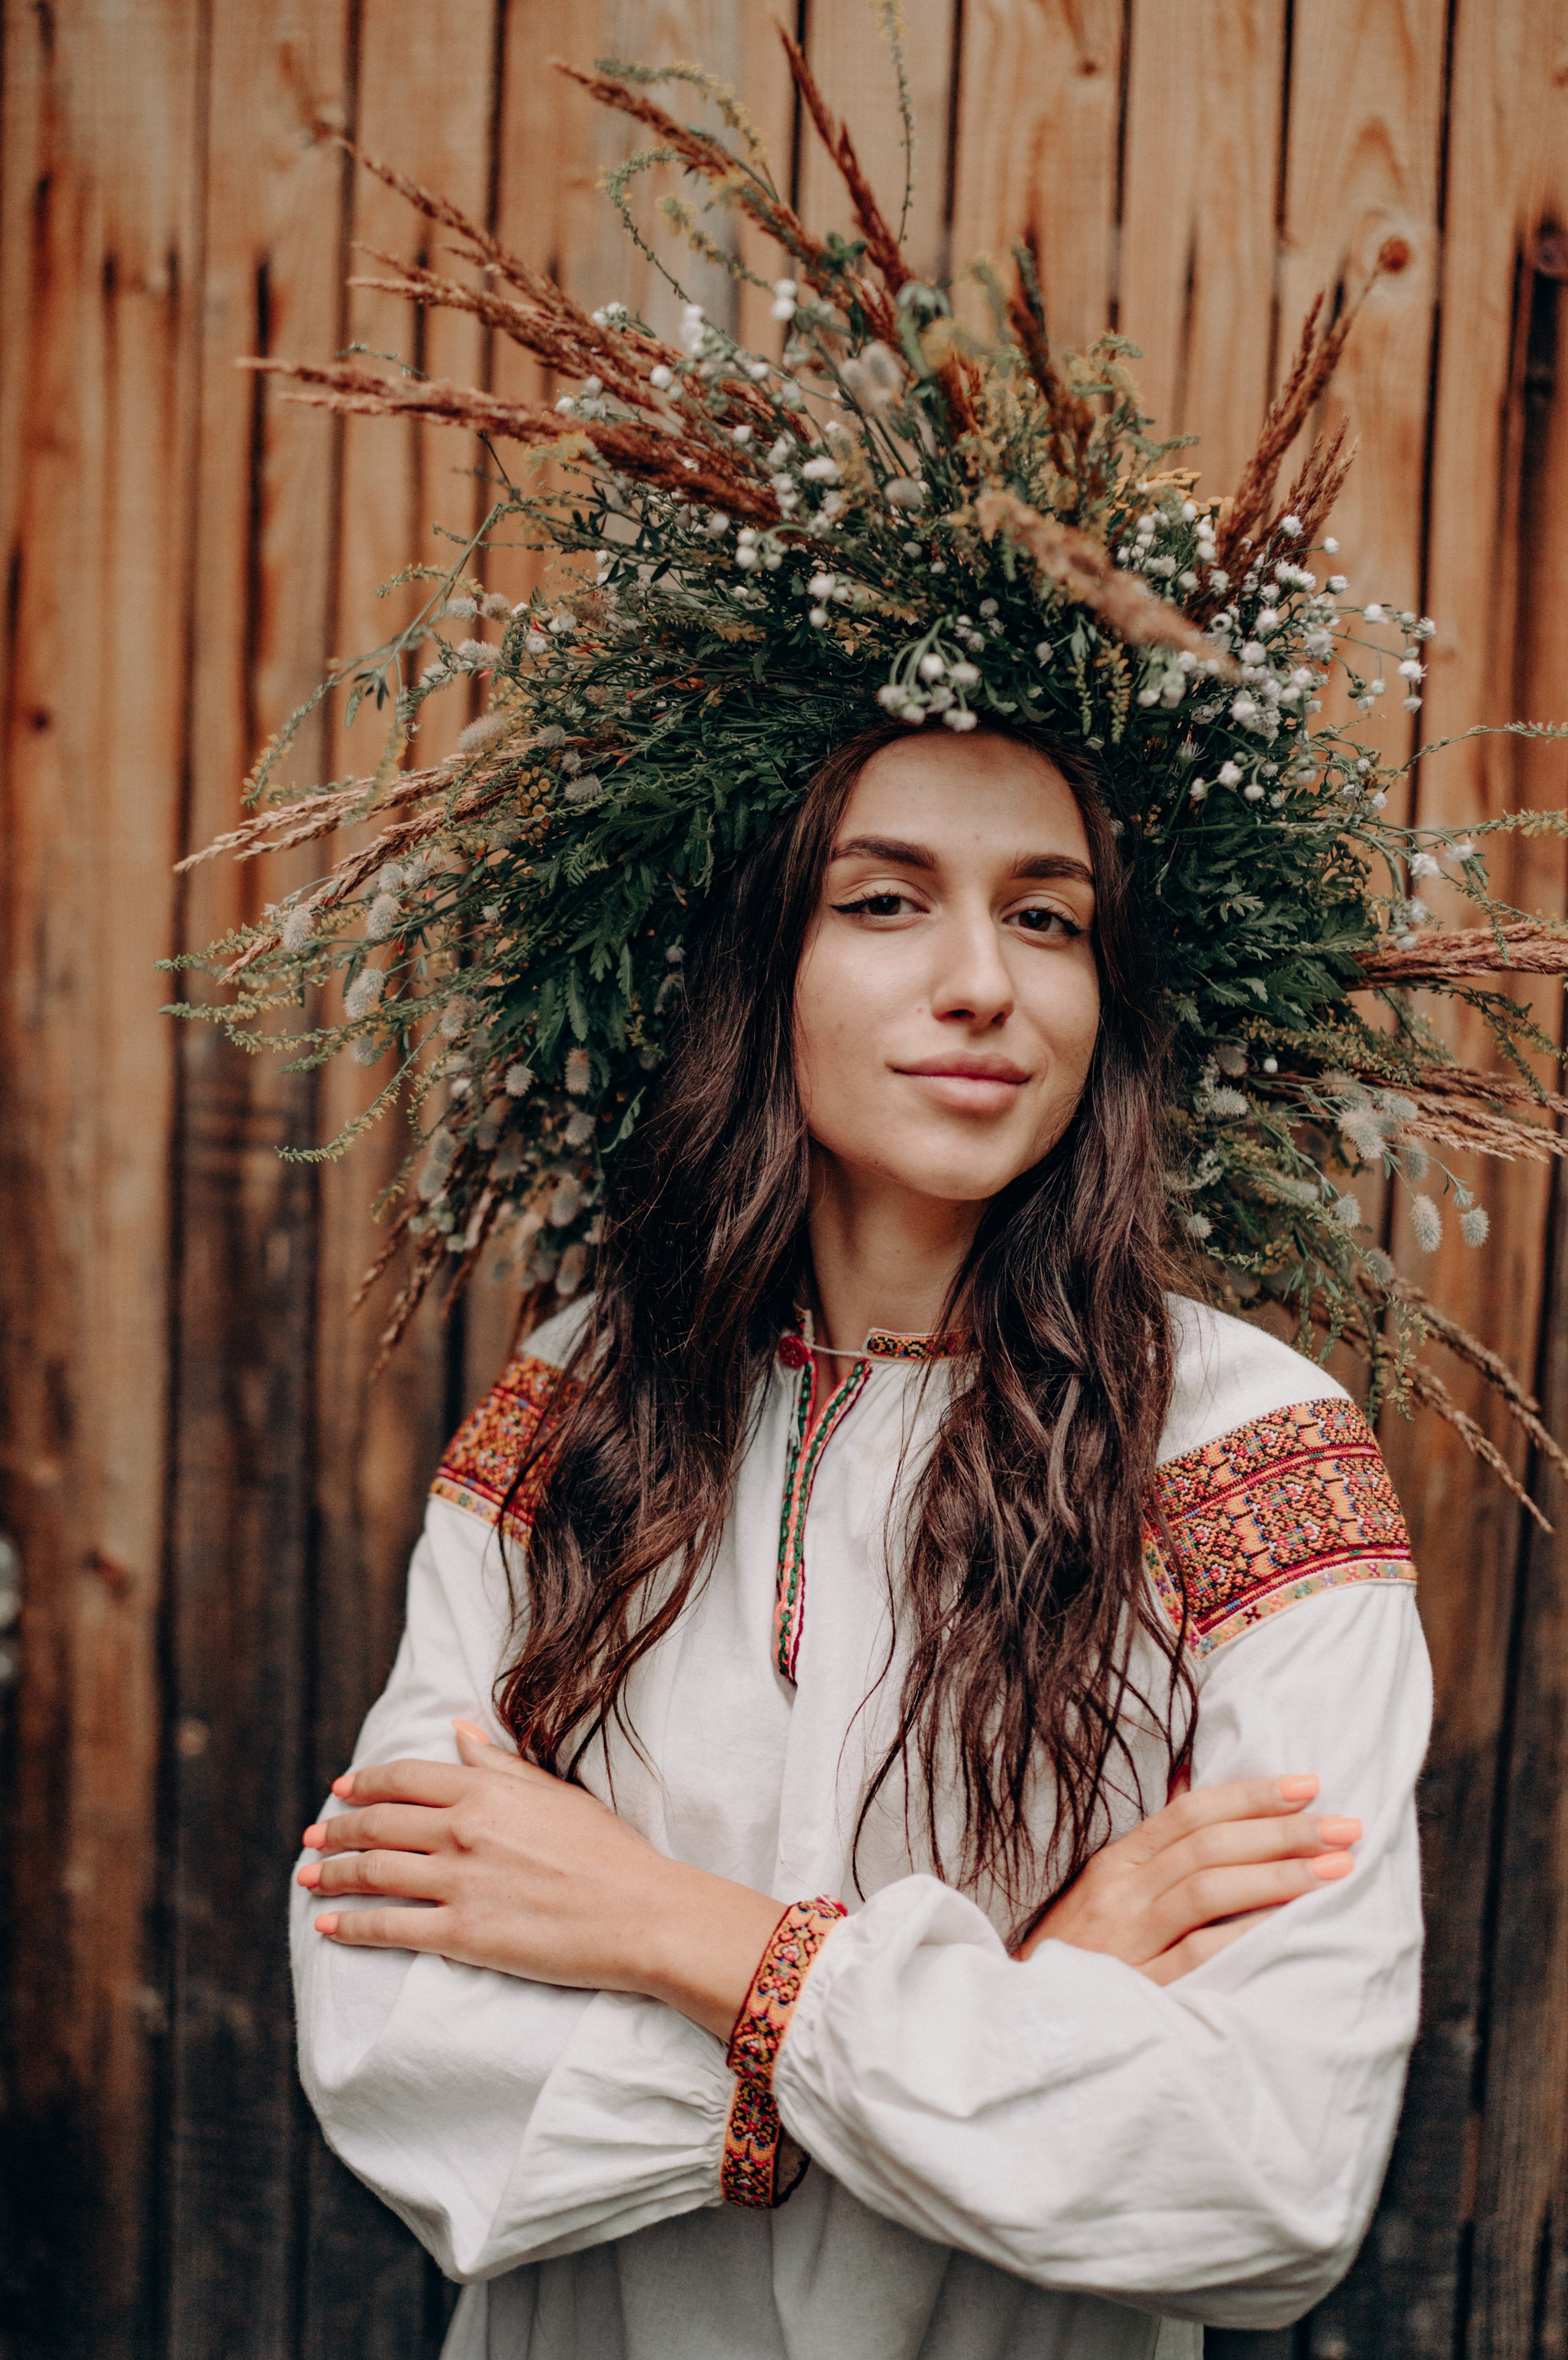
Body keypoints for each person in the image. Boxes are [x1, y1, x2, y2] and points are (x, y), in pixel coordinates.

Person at [290, 720, 1428, 2359]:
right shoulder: (575, 1406)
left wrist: (665, 1932)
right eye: (885, 902)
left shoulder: (1246, 1448)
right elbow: (388, 2038)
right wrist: (1029, 2005)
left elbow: (1268, 2176)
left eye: (1047, 917)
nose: (983, 983)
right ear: (758, 967)